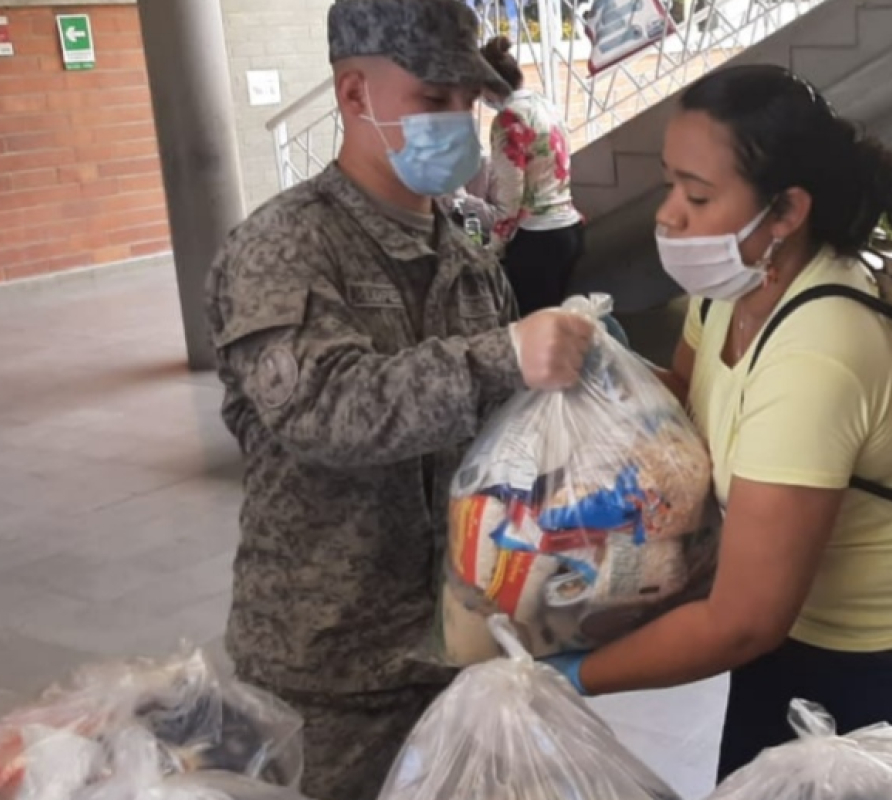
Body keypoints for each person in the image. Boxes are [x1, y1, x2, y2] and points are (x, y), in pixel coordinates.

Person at [543, 65, 892, 798]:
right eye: (669, 185)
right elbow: (692, 401)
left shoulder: (819, 350)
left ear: (784, 212)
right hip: (804, 639)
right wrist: (597, 366)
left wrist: (565, 675)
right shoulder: (730, 292)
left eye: (699, 195)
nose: (669, 217)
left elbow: (742, 620)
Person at [202, 1, 598, 797]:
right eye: (432, 100)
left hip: (467, 643)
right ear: (353, 95)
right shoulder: (287, 244)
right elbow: (322, 410)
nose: (458, 120)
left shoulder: (463, 236)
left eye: (466, 102)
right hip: (334, 668)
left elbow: (500, 434)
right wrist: (504, 359)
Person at [480, 36, 586, 315]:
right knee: (557, 320)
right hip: (569, 229)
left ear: (488, 87)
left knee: (533, 329)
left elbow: (511, 196)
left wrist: (494, 247)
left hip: (538, 239)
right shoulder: (544, 105)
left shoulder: (508, 119)